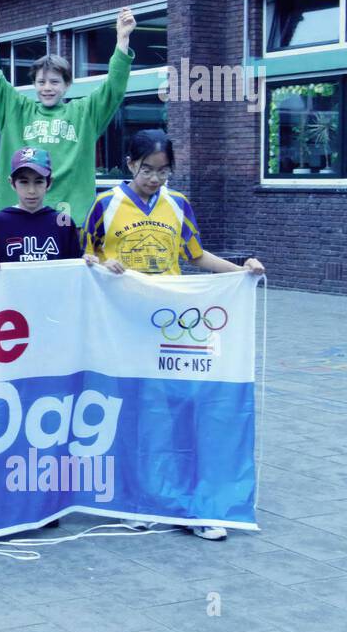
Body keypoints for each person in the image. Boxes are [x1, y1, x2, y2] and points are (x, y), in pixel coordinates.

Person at [86, 129, 266, 542]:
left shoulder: (178, 204)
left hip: (171, 321)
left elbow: (196, 255)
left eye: (163, 171)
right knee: (133, 410)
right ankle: (140, 500)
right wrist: (99, 266)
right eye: (147, 169)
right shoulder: (104, 205)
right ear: (130, 164)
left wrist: (243, 272)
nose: (154, 178)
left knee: (184, 407)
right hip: (123, 323)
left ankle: (195, 504)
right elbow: (86, 257)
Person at [0, 2, 136, 227]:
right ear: (33, 84)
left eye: (54, 81)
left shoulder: (84, 113)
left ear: (67, 84)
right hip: (16, 217)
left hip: (68, 219)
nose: (47, 88)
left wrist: (122, 39)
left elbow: (114, 87)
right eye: (41, 82)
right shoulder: (15, 110)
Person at [0, 147, 88, 273]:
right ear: (12, 183)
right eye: (24, 182)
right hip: (12, 292)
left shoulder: (63, 222)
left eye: (39, 182)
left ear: (49, 183)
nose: (31, 190)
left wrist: (87, 261)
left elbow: (76, 264)